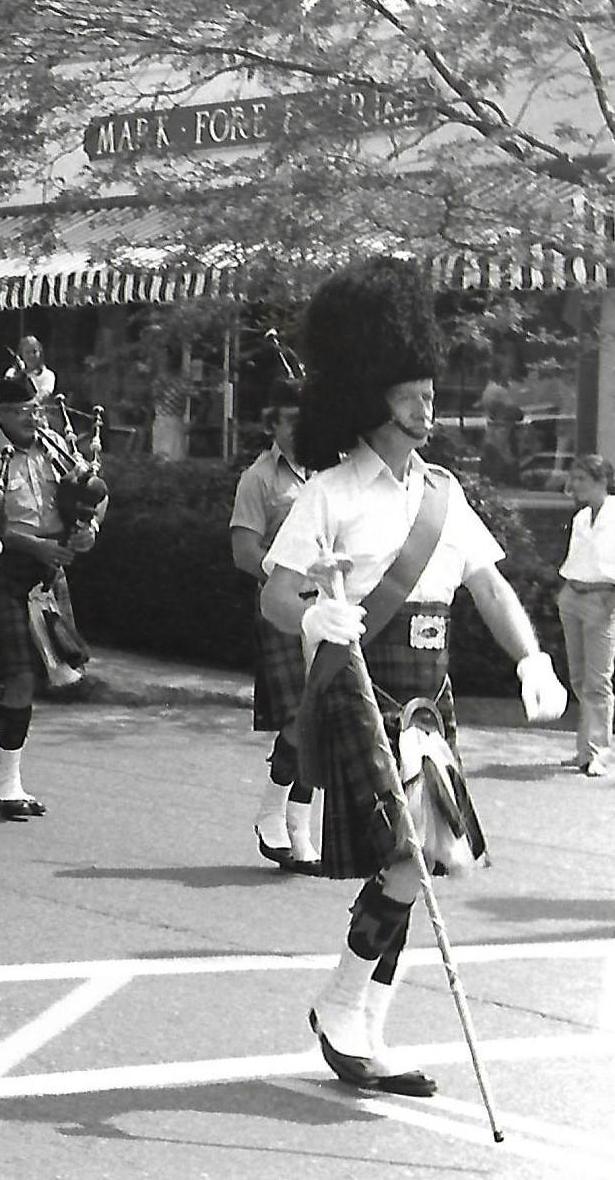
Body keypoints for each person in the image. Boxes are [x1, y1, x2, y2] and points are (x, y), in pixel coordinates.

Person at [260, 257, 567, 1097]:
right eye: (414, 390)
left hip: (430, 702)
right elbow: (277, 594)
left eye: (431, 388)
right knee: (406, 858)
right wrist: (314, 617)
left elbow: (490, 586)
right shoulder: (329, 492)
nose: (430, 402)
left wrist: (532, 656)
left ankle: (362, 1027)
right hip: (365, 692)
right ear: (373, 395)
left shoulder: (444, 493)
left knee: (425, 862)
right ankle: (338, 1008)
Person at [0, 370, 98, 819]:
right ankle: (7, 786)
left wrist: (87, 532)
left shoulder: (57, 449)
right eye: (24, 412)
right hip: (4, 571)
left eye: (36, 410)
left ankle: (11, 781)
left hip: (48, 572)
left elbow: (92, 498)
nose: (33, 419)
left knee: (42, 676)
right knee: (17, 675)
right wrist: (34, 544)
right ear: (1, 413)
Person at [230, 379, 318, 874]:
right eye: (291, 420)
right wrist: (289, 579)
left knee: (321, 717)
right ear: (273, 425)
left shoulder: (332, 474)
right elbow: (244, 553)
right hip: (282, 605)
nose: (301, 429)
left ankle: (299, 826)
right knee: (298, 718)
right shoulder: (258, 479)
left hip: (328, 607)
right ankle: (271, 812)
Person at [558, 453, 615, 778]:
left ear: (600, 480)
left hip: (602, 601)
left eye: (581, 479)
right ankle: (586, 747)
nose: (574, 485)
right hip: (573, 597)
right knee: (579, 677)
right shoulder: (581, 518)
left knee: (598, 681)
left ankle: (597, 752)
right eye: (574, 478)